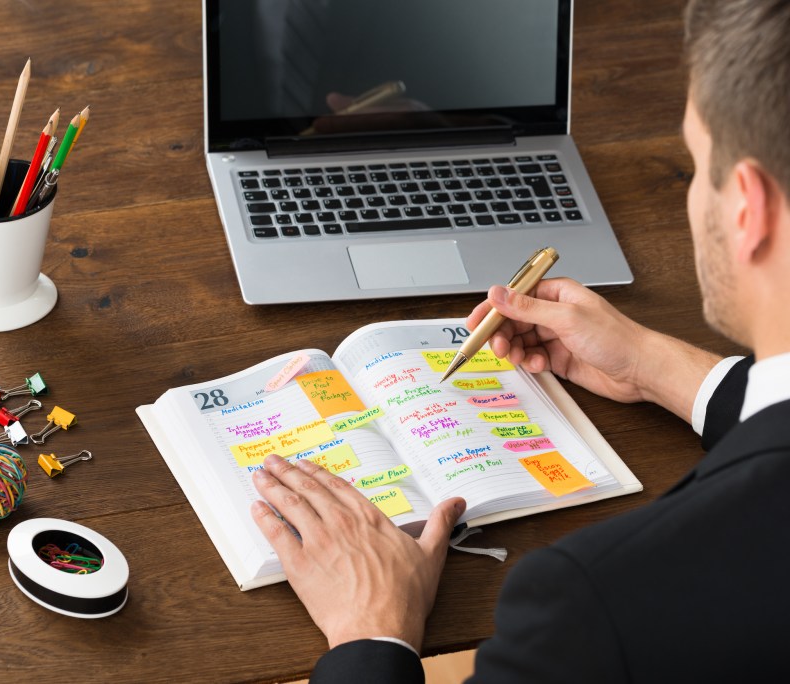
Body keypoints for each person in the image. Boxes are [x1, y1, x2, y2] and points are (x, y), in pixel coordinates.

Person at [249, 0, 790, 680]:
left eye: (695, 159)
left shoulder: (596, 605)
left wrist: (369, 633)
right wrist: (658, 369)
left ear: (748, 208)